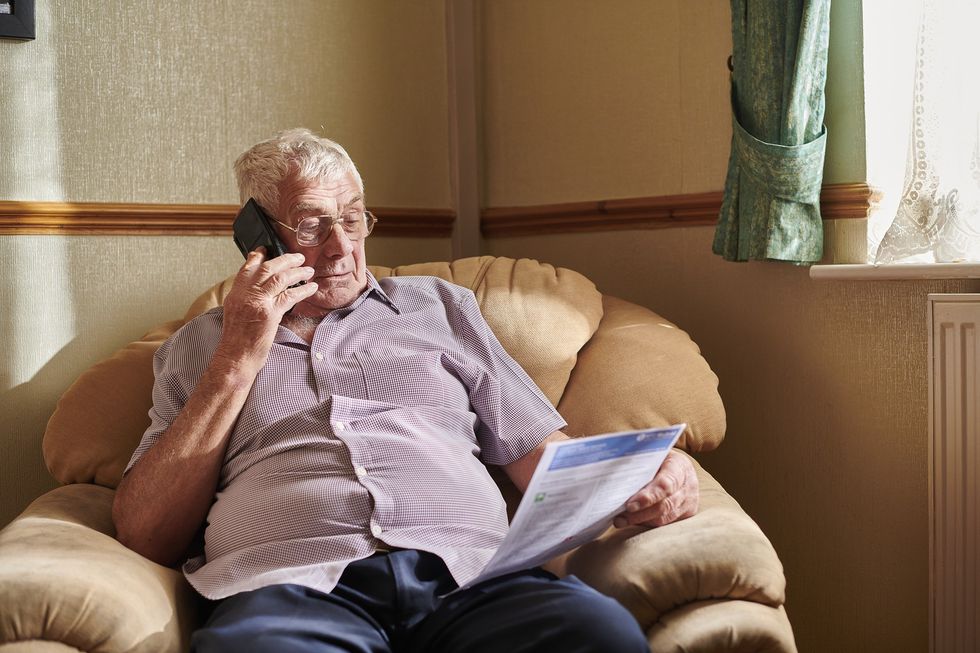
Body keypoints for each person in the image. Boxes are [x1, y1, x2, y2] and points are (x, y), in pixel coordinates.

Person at [112, 128, 700, 653]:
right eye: (313, 225)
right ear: (258, 235)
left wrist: (646, 467)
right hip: (290, 585)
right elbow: (147, 532)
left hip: (471, 577)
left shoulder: (442, 307)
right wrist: (240, 355)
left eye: (352, 218)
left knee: (597, 635)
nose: (341, 248)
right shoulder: (202, 346)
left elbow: (543, 459)